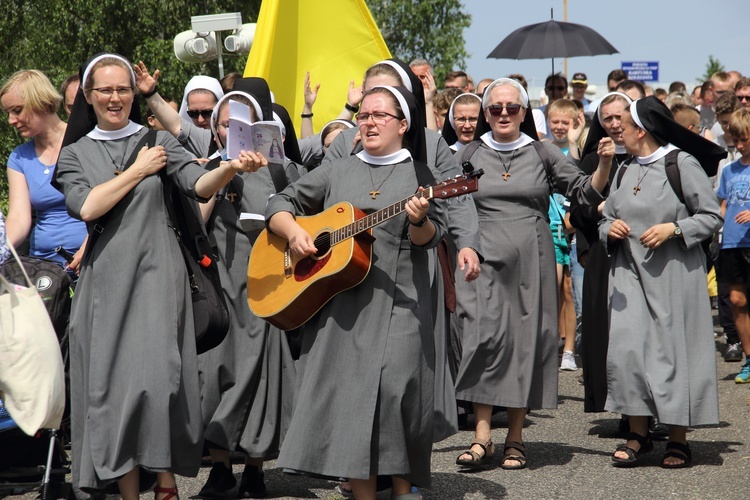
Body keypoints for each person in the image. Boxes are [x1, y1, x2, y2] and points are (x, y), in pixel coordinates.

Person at [54, 53, 266, 499]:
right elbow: (88, 207)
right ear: (88, 97)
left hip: (158, 277)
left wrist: (228, 167)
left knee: (159, 381)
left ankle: (165, 482)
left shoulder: (157, 141)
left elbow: (197, 183)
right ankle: (131, 491)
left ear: (134, 93)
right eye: (105, 90)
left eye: (123, 89)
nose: (115, 97)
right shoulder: (74, 153)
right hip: (106, 285)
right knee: (116, 391)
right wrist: (138, 170)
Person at [270, 85, 446, 499]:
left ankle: (405, 489)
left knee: (395, 395)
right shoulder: (339, 169)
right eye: (364, 115)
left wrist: (419, 221)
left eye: (379, 116)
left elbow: (432, 238)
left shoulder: (421, 176)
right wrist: (294, 230)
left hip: (399, 302)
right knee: (352, 405)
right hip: (339, 302)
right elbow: (281, 199)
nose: (368, 122)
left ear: (403, 125)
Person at [453, 78, 610, 470]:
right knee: (481, 339)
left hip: (531, 254)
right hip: (481, 258)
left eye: (511, 107)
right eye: (495, 108)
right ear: (486, 114)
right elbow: (449, 205)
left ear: (524, 112)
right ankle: (481, 437)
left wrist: (604, 163)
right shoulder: (469, 153)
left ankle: (516, 439)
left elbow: (584, 192)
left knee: (524, 344)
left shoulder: (542, 152)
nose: (503, 114)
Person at [601, 96, 724, 468]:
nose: (617, 127)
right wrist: (611, 228)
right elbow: (605, 217)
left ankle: (677, 438)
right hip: (629, 275)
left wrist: (674, 228)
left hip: (673, 276)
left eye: (623, 121)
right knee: (627, 354)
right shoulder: (623, 169)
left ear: (643, 129)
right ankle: (638, 435)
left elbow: (710, 217)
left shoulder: (680, 163)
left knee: (672, 355)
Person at [569, 92, 633, 415]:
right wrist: (601, 208)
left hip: (641, 253)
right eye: (606, 118)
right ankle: (616, 405)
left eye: (619, 116)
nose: (614, 124)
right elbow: (575, 215)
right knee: (605, 334)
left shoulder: (645, 155)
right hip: (602, 256)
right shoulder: (593, 159)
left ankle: (642, 409)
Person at [0, 69, 87, 274]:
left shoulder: (84, 142)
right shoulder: (19, 157)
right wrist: (2, 248)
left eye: (17, 110)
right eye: (8, 113)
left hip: (91, 259)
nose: (11, 120)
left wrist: (88, 248)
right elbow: (19, 218)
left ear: (40, 102)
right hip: (43, 268)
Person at [717, 108, 750, 381]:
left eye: (744, 140)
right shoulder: (728, 170)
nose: (738, 146)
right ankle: (749, 359)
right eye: (735, 140)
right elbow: (723, 203)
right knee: (737, 300)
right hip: (731, 243)